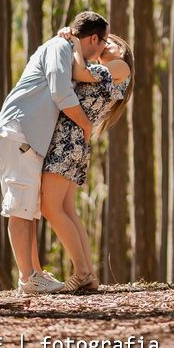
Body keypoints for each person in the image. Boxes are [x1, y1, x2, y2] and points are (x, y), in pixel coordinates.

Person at [0, 11, 108, 293]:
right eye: (104, 42)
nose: (103, 49)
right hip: (19, 131)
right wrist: (86, 125)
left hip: (29, 138)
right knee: (20, 207)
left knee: (28, 208)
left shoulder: (67, 48)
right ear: (94, 38)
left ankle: (34, 274)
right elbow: (60, 91)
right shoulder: (59, 48)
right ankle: (27, 278)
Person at [41, 30, 133, 292]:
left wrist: (72, 43)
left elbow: (80, 73)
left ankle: (81, 271)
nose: (105, 44)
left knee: (50, 206)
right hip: (74, 140)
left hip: (69, 140)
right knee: (67, 209)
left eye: (111, 42)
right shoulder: (106, 69)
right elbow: (80, 69)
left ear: (122, 50)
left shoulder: (121, 66)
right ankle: (88, 273)